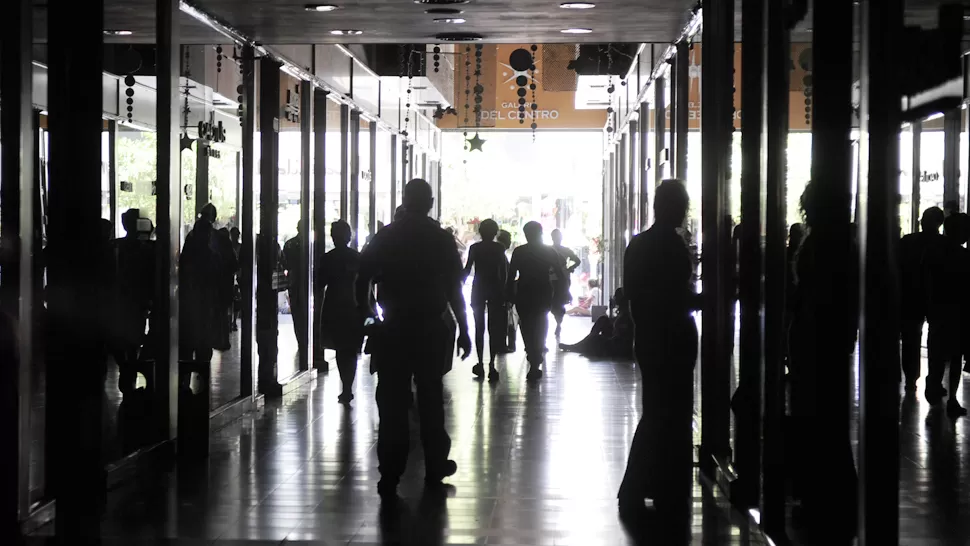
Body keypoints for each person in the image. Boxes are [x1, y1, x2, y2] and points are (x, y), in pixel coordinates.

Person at [356, 179, 472, 497]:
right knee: (431, 398)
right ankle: (435, 464)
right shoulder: (440, 239)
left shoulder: (386, 236)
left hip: (393, 328)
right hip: (429, 328)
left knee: (392, 401)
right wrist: (464, 328)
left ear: (405, 200)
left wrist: (369, 315)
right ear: (430, 202)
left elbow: (362, 277)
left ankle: (390, 471)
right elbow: (454, 289)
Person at [617, 180, 701, 524]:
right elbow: (677, 298)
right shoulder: (674, 246)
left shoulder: (638, 245)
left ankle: (640, 484)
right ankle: (665, 487)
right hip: (675, 336)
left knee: (655, 411)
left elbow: (635, 296)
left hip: (650, 337)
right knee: (675, 414)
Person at [506, 221, 564, 380]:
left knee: (526, 324)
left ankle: (532, 353)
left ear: (526, 234)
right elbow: (559, 273)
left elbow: (511, 276)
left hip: (524, 291)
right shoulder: (549, 252)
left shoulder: (519, 252)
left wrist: (509, 295)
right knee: (541, 320)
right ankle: (537, 353)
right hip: (543, 290)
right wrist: (560, 293)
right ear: (541, 233)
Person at [925, 212, 969, 417]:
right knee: (956, 356)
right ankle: (952, 397)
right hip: (957, 312)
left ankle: (933, 383)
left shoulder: (935, 253)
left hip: (938, 310)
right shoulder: (963, 256)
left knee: (938, 353)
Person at [898, 207, 944, 392]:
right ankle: (933, 379)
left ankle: (911, 377)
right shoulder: (943, 245)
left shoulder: (909, 241)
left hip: (912, 295)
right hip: (934, 297)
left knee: (911, 338)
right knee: (935, 340)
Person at [318, 220, 364, 403]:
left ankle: (345, 387)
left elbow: (320, 282)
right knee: (350, 348)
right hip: (353, 305)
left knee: (340, 347)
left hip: (334, 304)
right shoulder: (357, 257)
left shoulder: (328, 258)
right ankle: (347, 386)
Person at [462, 219, 508, 381]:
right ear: (495, 232)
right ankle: (492, 364)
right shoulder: (499, 248)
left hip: (479, 288)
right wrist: (505, 291)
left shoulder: (475, 248)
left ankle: (480, 362)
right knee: (493, 328)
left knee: (479, 327)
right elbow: (503, 272)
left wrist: (457, 282)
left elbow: (468, 269)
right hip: (495, 288)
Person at [179, 203, 221, 364]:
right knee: (205, 333)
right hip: (208, 292)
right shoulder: (214, 238)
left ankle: (187, 373)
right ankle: (202, 368)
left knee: (190, 334)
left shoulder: (192, 237)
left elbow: (184, 262)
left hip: (192, 291)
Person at [560, 287, 633, 359]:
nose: (613, 298)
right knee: (603, 319)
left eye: (615, 297)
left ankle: (578, 346)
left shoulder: (626, 315)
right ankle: (580, 345)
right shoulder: (623, 312)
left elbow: (619, 336)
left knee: (595, 339)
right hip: (614, 341)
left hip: (619, 347)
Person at [283, 223, 308, 361]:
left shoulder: (290, 244)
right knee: (304, 312)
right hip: (305, 283)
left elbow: (285, 264)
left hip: (294, 282)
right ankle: (305, 340)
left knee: (297, 314)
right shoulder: (311, 245)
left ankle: (301, 340)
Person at [550, 229, 581, 337]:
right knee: (553, 301)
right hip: (552, 278)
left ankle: (558, 323)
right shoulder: (548, 250)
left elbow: (577, 260)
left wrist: (569, 269)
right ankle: (557, 321)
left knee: (560, 301)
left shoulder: (566, 250)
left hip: (562, 278)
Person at [213, 227, 238, 351]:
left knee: (219, 314)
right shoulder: (230, 251)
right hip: (227, 286)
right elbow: (235, 267)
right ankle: (224, 339)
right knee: (224, 314)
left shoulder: (216, 251)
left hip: (218, 287)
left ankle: (220, 339)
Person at [497, 229, 517, 353]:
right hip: (502, 293)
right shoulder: (501, 255)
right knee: (502, 319)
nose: (510, 242)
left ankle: (501, 343)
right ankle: (501, 344)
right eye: (509, 240)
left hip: (500, 292)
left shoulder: (501, 255)